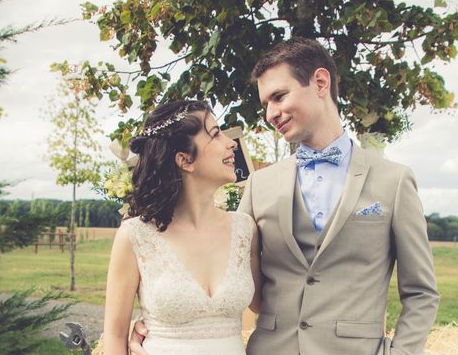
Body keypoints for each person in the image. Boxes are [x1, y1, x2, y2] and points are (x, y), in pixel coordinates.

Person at [131, 38, 439, 355]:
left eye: (278, 97)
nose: (270, 114)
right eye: (265, 104)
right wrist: (160, 328)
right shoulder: (260, 184)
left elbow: (421, 292)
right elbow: (222, 271)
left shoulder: (395, 181)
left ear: (320, 82)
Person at [103, 100, 262, 355]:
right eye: (215, 133)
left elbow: (268, 304)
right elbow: (114, 335)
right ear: (185, 160)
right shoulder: (135, 236)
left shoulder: (245, 229)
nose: (230, 142)